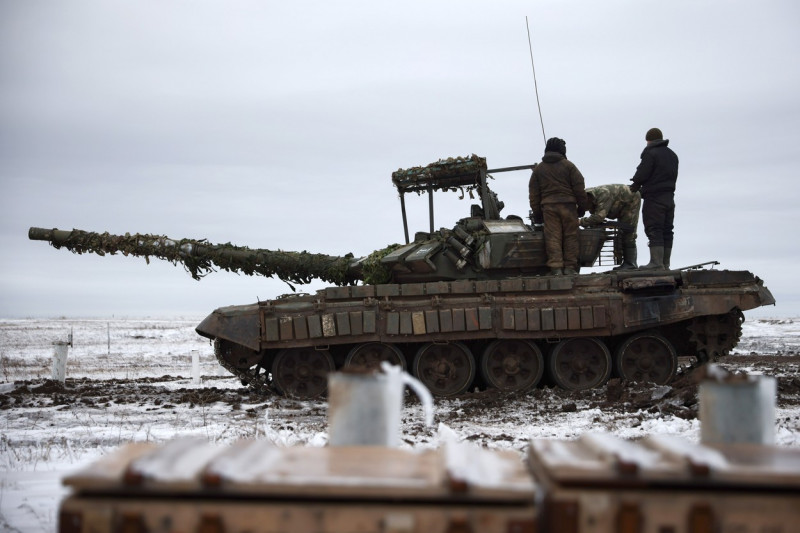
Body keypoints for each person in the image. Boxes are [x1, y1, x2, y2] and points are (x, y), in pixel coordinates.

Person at [529, 137, 589, 276]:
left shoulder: (539, 169)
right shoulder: (569, 166)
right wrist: (582, 207)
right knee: (571, 236)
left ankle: (556, 269)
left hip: (549, 208)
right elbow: (579, 187)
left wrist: (537, 213)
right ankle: (570, 268)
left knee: (552, 237)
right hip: (568, 206)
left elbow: (534, 194)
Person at [629, 127, 679, 270]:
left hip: (654, 198)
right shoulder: (673, 155)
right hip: (670, 198)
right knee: (667, 230)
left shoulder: (651, 153)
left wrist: (635, 185)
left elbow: (643, 173)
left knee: (654, 228)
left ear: (648, 140)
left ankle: (656, 263)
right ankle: (665, 264)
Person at [580, 184, 642, 270]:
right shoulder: (586, 198)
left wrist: (579, 222)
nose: (587, 210)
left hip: (631, 199)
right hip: (618, 205)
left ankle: (630, 263)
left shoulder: (603, 194)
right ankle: (626, 263)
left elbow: (598, 217)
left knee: (628, 231)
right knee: (621, 231)